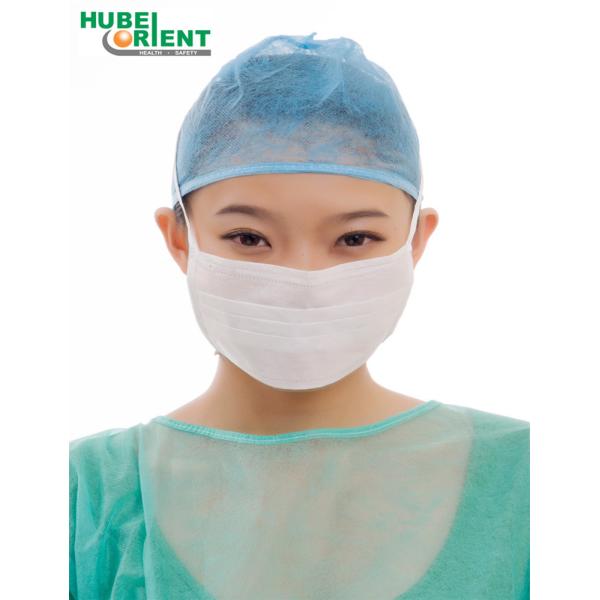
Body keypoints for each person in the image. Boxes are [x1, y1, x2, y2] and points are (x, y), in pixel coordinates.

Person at [70, 33, 529, 599]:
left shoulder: (528, 479)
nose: (304, 279)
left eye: (355, 238)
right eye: (249, 237)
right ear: (179, 239)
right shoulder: (89, 495)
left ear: (416, 241)